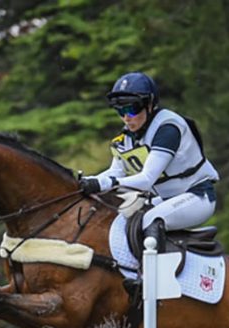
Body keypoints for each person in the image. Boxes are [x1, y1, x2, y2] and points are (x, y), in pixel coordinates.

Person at [80, 71, 219, 282]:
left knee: (150, 219)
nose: (126, 117)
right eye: (120, 110)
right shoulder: (126, 137)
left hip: (197, 197)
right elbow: (114, 173)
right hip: (166, 199)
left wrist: (104, 183)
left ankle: (153, 281)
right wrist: (86, 182)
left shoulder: (168, 128)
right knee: (118, 219)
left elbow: (146, 179)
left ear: (150, 105)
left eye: (132, 109)